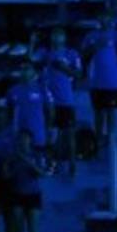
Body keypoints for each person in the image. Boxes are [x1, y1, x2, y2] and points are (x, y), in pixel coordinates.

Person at [33, 27, 82, 173]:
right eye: (54, 35)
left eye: (59, 35)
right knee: (50, 134)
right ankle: (50, 163)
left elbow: (79, 74)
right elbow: (31, 60)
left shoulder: (71, 53)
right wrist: (32, 42)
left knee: (69, 134)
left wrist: (64, 68)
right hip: (48, 101)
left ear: (64, 38)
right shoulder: (44, 52)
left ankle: (72, 164)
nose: (56, 38)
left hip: (66, 100)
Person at [82, 12, 117, 149]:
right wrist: (95, 46)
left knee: (112, 112)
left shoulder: (116, 35)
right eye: (102, 16)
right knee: (98, 113)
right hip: (96, 82)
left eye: (108, 17)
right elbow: (84, 56)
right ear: (99, 18)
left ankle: (111, 142)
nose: (105, 20)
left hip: (114, 82)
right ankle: (97, 142)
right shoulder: (90, 36)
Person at [6, 62, 53, 154]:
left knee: (38, 163)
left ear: (34, 72)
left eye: (27, 69)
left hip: (38, 134)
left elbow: (50, 112)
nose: (24, 72)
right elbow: (9, 112)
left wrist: (49, 129)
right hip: (19, 135)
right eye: (22, 69)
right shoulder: (12, 91)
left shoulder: (42, 89)